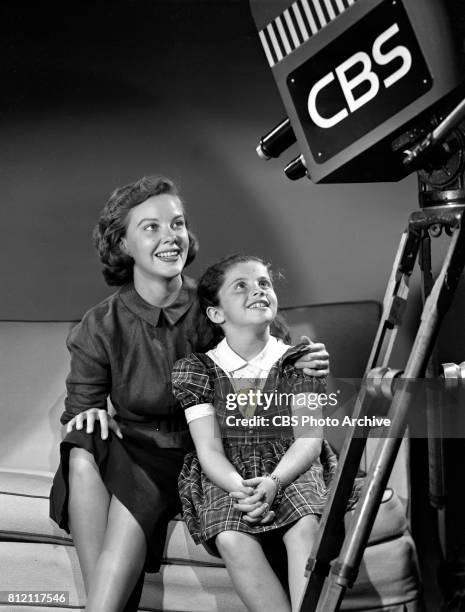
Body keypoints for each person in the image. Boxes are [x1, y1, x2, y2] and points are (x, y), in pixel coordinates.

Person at [48, 176, 330, 612]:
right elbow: (79, 407)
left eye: (177, 224)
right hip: (139, 446)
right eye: (151, 227)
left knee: (132, 498)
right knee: (83, 448)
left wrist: (302, 362)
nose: (170, 237)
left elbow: (271, 352)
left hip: (207, 447)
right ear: (123, 245)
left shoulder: (216, 300)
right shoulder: (100, 324)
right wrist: (89, 414)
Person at [172, 254, 339, 612]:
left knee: (305, 524)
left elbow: (309, 439)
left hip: (291, 466)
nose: (258, 291)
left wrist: (275, 482)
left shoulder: (298, 361)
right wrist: (239, 488)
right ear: (216, 314)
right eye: (241, 287)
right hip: (228, 471)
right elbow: (209, 449)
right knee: (231, 536)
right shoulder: (199, 370)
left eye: (264, 283)